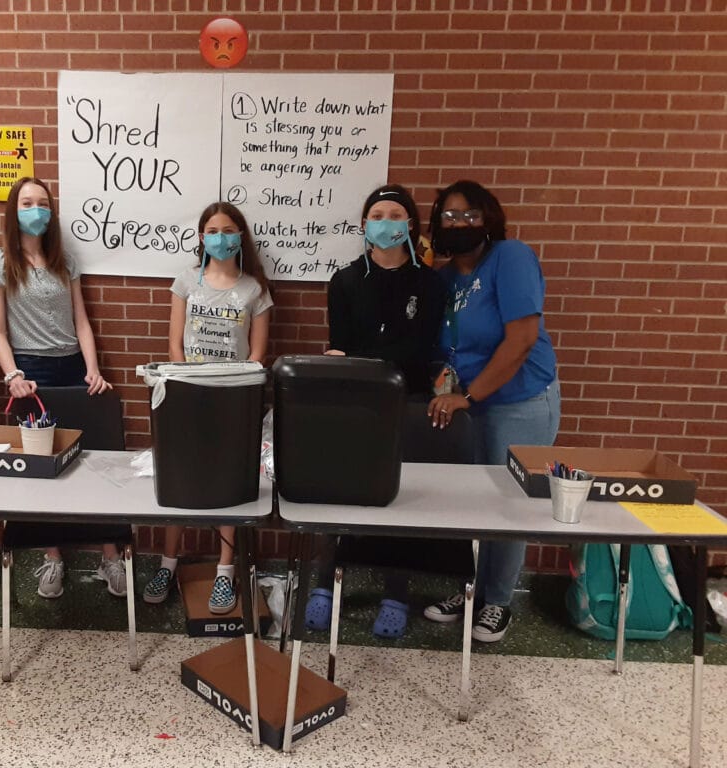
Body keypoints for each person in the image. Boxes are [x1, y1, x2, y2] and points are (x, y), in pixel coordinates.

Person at [305, 183, 447, 638]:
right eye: (377, 214)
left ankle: (395, 591)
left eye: (395, 214)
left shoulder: (429, 283)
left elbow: (422, 351)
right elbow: (342, 346)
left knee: (401, 499)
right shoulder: (345, 281)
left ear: (410, 224)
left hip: (409, 405)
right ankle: (324, 585)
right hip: (355, 405)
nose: (386, 223)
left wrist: (378, 362)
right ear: (364, 224)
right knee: (337, 493)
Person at [423, 179, 560, 643]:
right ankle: (469, 590)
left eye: (469, 215)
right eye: (449, 216)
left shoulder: (511, 256)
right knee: (470, 501)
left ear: (489, 220)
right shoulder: (444, 278)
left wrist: (470, 396)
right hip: (471, 404)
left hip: (519, 401)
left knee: (510, 503)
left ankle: (498, 601)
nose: (458, 224)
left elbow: (520, 339)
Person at [0, 176, 125, 600]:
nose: (36, 210)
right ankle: (53, 558)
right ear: (13, 209)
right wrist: (13, 376)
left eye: (42, 203)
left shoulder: (65, 260)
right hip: (30, 372)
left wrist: (93, 369)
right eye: (27, 202)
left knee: (93, 461)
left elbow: (81, 320)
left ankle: (110, 555)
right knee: (42, 468)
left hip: (73, 367)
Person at [142, 201, 273, 614]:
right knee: (180, 478)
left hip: (234, 400)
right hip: (186, 395)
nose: (221, 237)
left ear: (240, 236)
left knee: (228, 482)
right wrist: (185, 384)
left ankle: (224, 571)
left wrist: (236, 389)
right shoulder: (185, 282)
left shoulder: (254, 289)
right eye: (213, 230)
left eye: (229, 229)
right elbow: (174, 344)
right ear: (201, 237)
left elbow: (258, 355)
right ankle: (168, 562)